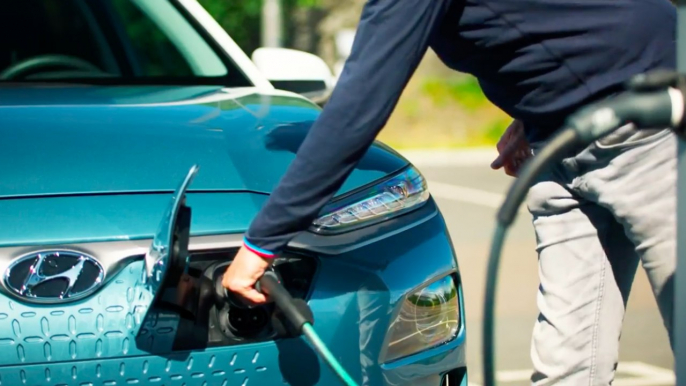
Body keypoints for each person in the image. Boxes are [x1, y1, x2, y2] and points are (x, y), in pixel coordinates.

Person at [222, 0, 677, 384]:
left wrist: (262, 242)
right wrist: (536, 110)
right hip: (562, 140)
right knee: (567, 365)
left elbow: (357, 108)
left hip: (649, 123)